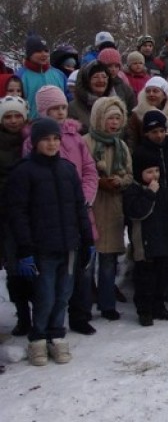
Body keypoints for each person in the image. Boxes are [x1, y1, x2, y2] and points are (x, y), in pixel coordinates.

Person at [6, 117, 93, 366]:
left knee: (64, 293)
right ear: (35, 143)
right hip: (42, 246)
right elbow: (18, 213)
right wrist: (25, 248)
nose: (53, 143)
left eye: (56, 138)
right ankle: (38, 338)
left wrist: (87, 239)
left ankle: (57, 334)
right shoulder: (24, 171)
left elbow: (79, 207)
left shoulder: (67, 169)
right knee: (45, 294)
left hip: (69, 244)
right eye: (46, 139)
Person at [30, 85, 100, 335]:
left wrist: (84, 196)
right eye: (54, 109)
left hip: (79, 210)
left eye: (62, 107)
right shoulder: (34, 141)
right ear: (43, 111)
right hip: (51, 217)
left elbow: (90, 170)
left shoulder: (75, 138)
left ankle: (80, 316)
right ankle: (46, 325)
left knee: (81, 269)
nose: (60, 113)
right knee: (52, 279)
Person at [84, 96, 133, 322]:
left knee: (108, 262)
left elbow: (129, 175)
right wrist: (98, 181)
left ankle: (107, 304)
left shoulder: (121, 146)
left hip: (113, 207)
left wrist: (119, 182)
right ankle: (83, 306)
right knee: (87, 262)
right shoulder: (85, 143)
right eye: (109, 118)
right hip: (91, 207)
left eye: (117, 118)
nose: (114, 123)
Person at [123, 140, 168, 326]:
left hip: (162, 239)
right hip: (144, 242)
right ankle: (144, 310)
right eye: (149, 172)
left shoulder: (163, 188)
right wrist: (150, 194)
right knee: (145, 278)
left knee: (162, 276)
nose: (154, 175)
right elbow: (137, 212)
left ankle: (159, 305)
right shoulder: (134, 190)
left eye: (156, 170)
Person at [0, 96, 33, 336]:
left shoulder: (32, 140)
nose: (13, 121)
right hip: (6, 214)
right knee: (14, 267)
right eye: (7, 116)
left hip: (33, 211)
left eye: (16, 115)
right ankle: (22, 315)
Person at [16, 35, 66, 119]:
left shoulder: (59, 74)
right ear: (29, 54)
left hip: (58, 126)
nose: (44, 54)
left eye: (46, 51)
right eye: (38, 51)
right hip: (32, 126)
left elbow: (68, 99)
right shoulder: (20, 76)